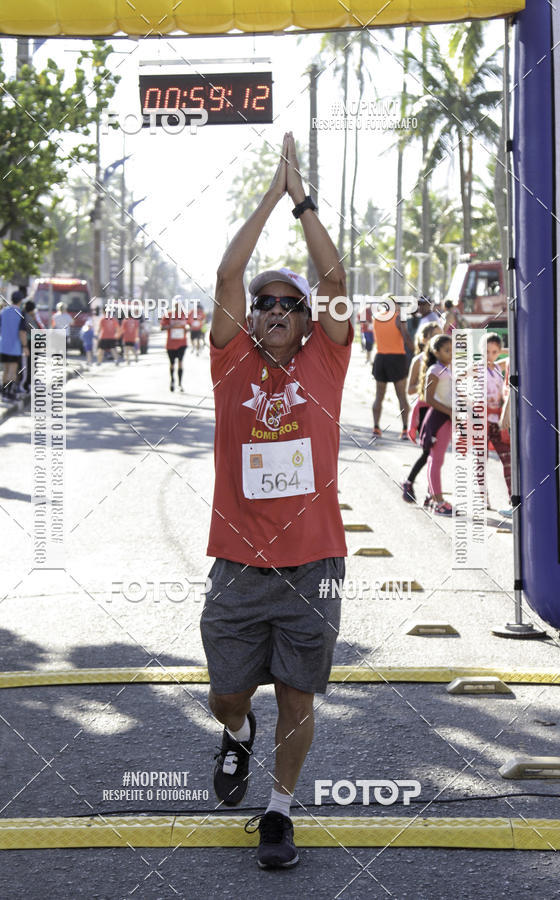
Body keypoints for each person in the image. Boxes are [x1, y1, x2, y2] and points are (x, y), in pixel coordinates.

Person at [201, 132, 352, 870]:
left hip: (314, 565)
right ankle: (236, 734)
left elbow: (336, 275)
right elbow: (230, 270)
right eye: (266, 304)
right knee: (225, 696)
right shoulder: (230, 365)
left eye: (292, 304)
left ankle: (279, 813)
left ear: (307, 320)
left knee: (299, 697)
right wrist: (271, 191)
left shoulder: (327, 362)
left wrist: (305, 203)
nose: (276, 311)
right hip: (236, 567)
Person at [401, 321, 442, 502]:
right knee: (429, 452)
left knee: (436, 453)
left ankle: (430, 493)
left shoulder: (445, 361)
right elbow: (409, 389)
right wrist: (427, 385)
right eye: (435, 336)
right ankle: (410, 483)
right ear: (425, 339)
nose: (440, 340)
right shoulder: (418, 360)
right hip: (425, 410)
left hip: (441, 410)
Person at [418, 333, 454, 515]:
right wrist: (449, 411)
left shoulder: (447, 368)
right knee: (436, 460)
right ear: (436, 352)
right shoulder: (435, 369)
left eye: (453, 349)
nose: (451, 353)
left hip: (447, 418)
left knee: (438, 459)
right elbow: (428, 398)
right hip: (438, 419)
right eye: (447, 350)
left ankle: (430, 495)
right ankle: (438, 501)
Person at [371, 298, 413, 439]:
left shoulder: (376, 317)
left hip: (381, 358)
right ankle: (405, 429)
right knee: (401, 396)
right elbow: (406, 336)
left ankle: (376, 427)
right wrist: (416, 349)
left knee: (379, 396)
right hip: (396, 358)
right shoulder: (398, 318)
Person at [484, 333, 512, 518]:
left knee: (508, 460)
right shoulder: (477, 368)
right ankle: (481, 499)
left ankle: (512, 499)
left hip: (501, 420)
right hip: (481, 419)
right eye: (486, 351)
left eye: (494, 352)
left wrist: (504, 411)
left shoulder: (505, 363)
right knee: (479, 460)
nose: (490, 355)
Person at [0, 291, 27, 401]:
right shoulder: (20, 312)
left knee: (5, 370)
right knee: (12, 370)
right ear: (20, 300)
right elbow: (22, 332)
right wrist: (25, 346)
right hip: (14, 346)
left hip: (3, 345)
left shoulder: (3, 311)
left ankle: (3, 392)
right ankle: (10, 392)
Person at [162, 305, 189, 391]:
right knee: (172, 363)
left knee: (181, 362)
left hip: (182, 343)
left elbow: (189, 325)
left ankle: (180, 383)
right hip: (171, 344)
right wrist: (172, 326)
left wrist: (187, 328)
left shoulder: (185, 315)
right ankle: (172, 380)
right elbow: (162, 327)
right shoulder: (168, 314)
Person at [20, 300, 44, 393]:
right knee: (31, 364)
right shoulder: (28, 317)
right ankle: (28, 383)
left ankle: (30, 382)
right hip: (31, 342)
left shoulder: (28, 316)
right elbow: (35, 329)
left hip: (32, 342)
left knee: (32, 364)